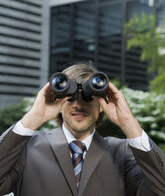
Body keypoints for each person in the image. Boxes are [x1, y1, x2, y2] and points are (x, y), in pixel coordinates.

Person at [0, 62, 165, 196]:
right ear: (58, 100)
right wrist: (33, 117)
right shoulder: (26, 147)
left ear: (102, 105)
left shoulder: (123, 152)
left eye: (88, 97)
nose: (78, 105)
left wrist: (128, 122)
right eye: (70, 97)